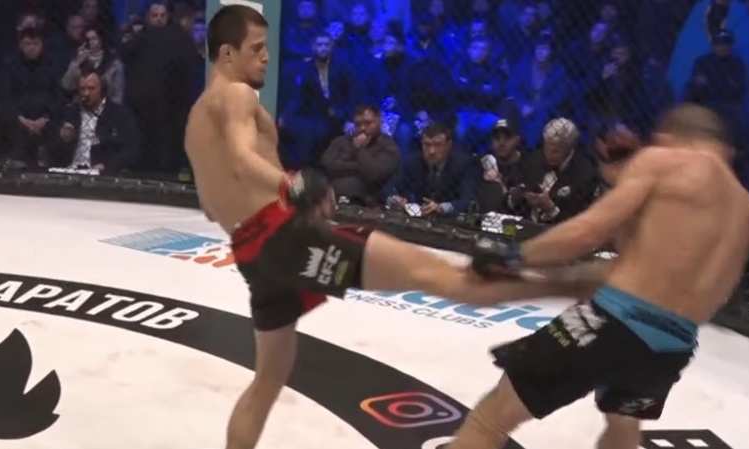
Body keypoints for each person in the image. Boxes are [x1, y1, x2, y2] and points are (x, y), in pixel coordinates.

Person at [183, 5, 602, 449]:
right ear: (227, 54)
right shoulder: (237, 95)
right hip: (282, 235)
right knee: (439, 275)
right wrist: (292, 185)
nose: (266, 57)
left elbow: (211, 206)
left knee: (268, 379)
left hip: (252, 254)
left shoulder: (195, 121)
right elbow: (241, 157)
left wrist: (267, 202)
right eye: (256, 48)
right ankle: (571, 284)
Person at [454, 103, 749, 449]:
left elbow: (588, 232)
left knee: (494, 415)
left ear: (667, 137)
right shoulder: (746, 208)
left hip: (616, 320)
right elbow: (716, 289)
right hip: (673, 347)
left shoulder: (665, 161)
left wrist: (514, 256)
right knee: (623, 426)